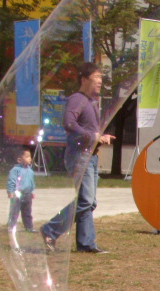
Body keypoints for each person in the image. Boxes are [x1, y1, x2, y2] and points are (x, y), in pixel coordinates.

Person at [41, 61, 114, 254]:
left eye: (101, 77)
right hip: (80, 156)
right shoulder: (77, 99)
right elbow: (68, 122)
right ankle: (50, 230)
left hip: (91, 155)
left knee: (89, 202)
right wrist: (92, 136)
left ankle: (86, 244)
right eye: (96, 77)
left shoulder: (91, 102)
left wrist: (101, 137)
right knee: (85, 201)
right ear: (84, 79)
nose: (100, 81)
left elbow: (90, 131)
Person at [7, 145, 37, 233]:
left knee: (27, 212)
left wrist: (33, 191)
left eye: (30, 156)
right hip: (17, 194)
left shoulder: (30, 170)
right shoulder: (15, 170)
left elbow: (32, 182)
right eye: (27, 157)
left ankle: (29, 227)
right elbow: (11, 181)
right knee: (14, 211)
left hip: (28, 195)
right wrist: (10, 191)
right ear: (19, 159)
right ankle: (11, 226)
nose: (29, 158)